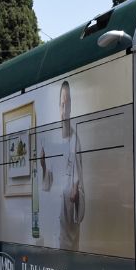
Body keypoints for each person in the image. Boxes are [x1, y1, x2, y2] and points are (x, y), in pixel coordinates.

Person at [40, 81, 85, 251]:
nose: (65, 110)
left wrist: (76, 190)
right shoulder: (51, 140)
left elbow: (80, 183)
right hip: (54, 215)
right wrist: (44, 166)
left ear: (71, 108)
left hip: (68, 215)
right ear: (59, 107)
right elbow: (47, 184)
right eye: (62, 104)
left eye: (68, 104)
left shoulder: (75, 140)